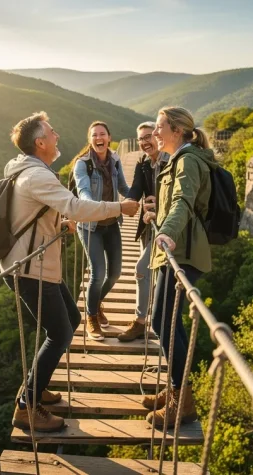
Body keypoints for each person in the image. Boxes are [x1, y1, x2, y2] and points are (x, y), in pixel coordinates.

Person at [2, 112, 139, 432]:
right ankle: (27, 406)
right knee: (60, 333)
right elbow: (77, 205)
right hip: (30, 269)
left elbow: (38, 212)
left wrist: (59, 223)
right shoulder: (37, 176)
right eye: (51, 132)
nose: (57, 135)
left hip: (40, 266)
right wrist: (121, 208)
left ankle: (37, 388)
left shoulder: (29, 170)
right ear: (40, 142)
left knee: (73, 321)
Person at [141, 106, 217, 429]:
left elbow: (184, 203)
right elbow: (175, 202)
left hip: (182, 250)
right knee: (168, 322)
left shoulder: (187, 161)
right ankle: (177, 390)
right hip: (176, 247)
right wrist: (155, 216)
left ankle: (181, 400)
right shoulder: (179, 159)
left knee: (162, 319)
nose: (155, 133)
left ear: (176, 131)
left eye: (159, 128)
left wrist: (167, 234)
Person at [72, 121, 131, 341]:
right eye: (94, 135)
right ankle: (91, 316)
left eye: (102, 134)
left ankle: (94, 302)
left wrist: (145, 196)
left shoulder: (115, 160)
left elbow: (124, 188)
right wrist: (93, 207)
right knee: (98, 273)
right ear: (90, 140)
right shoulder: (82, 164)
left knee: (115, 274)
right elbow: (83, 191)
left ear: (109, 138)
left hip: (112, 223)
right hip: (90, 226)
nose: (99, 137)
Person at [117, 122, 169, 342]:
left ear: (158, 135)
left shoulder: (172, 161)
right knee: (148, 273)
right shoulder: (143, 162)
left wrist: (161, 202)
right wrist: (125, 203)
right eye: (141, 139)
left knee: (142, 269)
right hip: (148, 225)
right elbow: (136, 189)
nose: (145, 142)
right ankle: (152, 319)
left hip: (168, 228)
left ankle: (142, 322)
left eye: (149, 136)